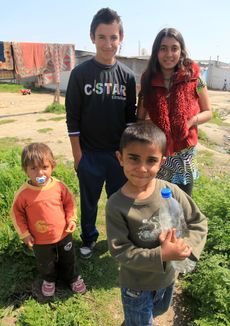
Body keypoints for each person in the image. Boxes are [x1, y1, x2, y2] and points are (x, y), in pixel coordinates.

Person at [106, 122, 207, 326]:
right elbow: (120, 250)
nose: (142, 168)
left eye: (151, 160)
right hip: (136, 283)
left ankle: (145, 318)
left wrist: (185, 247)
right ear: (120, 158)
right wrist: (161, 254)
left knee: (159, 308)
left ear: (162, 162)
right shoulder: (117, 204)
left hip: (168, 278)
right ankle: (138, 325)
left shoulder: (171, 192)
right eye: (133, 158)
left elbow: (198, 221)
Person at [65, 8, 137, 259]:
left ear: (121, 38)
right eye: (102, 37)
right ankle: (88, 238)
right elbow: (72, 118)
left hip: (118, 155)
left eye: (113, 37)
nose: (108, 43)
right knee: (89, 202)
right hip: (90, 155)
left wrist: (127, 156)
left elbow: (131, 121)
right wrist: (78, 156)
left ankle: (118, 240)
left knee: (119, 202)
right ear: (92, 37)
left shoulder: (127, 76)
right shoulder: (80, 74)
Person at [137, 28, 212, 196]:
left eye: (174, 48)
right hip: (157, 152)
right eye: (163, 48)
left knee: (181, 206)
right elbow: (140, 117)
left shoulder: (194, 78)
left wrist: (191, 121)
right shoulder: (148, 79)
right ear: (156, 51)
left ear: (181, 51)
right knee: (156, 203)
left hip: (183, 156)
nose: (168, 54)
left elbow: (208, 112)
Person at [11, 143, 86, 297]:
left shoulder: (59, 186)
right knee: (45, 262)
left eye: (44, 167)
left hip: (64, 234)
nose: (40, 173)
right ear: (25, 170)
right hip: (39, 239)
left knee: (68, 258)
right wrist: (24, 234)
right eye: (33, 168)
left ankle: (72, 277)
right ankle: (49, 279)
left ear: (53, 166)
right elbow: (16, 213)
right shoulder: (24, 194)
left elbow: (69, 203)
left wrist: (71, 219)